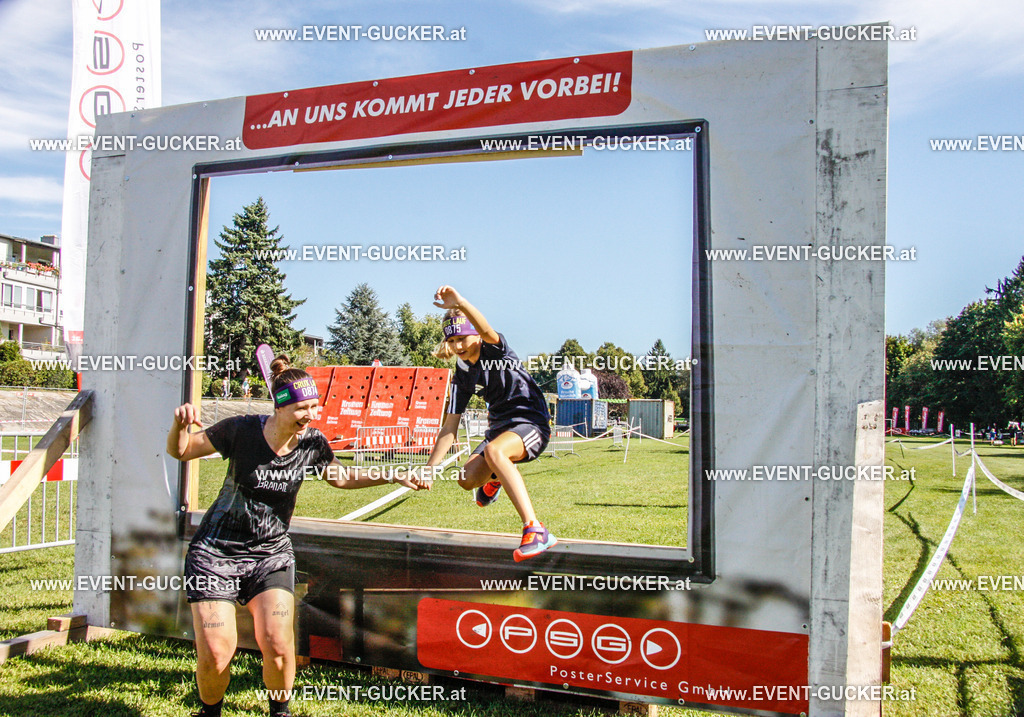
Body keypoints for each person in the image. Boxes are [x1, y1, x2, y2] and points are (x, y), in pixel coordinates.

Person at [167, 355, 425, 717]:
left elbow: (340, 477)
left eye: (315, 406)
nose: (312, 415)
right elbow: (181, 450)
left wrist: (392, 473)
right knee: (216, 650)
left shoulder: (312, 442)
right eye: (304, 408)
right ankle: (209, 713)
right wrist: (180, 425)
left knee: (278, 644)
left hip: (270, 555)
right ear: (280, 405)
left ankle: (281, 713)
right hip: (215, 555)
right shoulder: (240, 430)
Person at [422, 285, 556, 561]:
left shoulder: (496, 351)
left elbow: (485, 329)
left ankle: (536, 530)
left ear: (476, 335)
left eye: (462, 338)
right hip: (499, 430)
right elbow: (450, 427)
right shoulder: (461, 375)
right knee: (465, 479)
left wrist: (459, 302)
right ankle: (493, 479)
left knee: (495, 452)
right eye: (452, 341)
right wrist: (429, 469)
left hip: (531, 423)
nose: (458, 347)